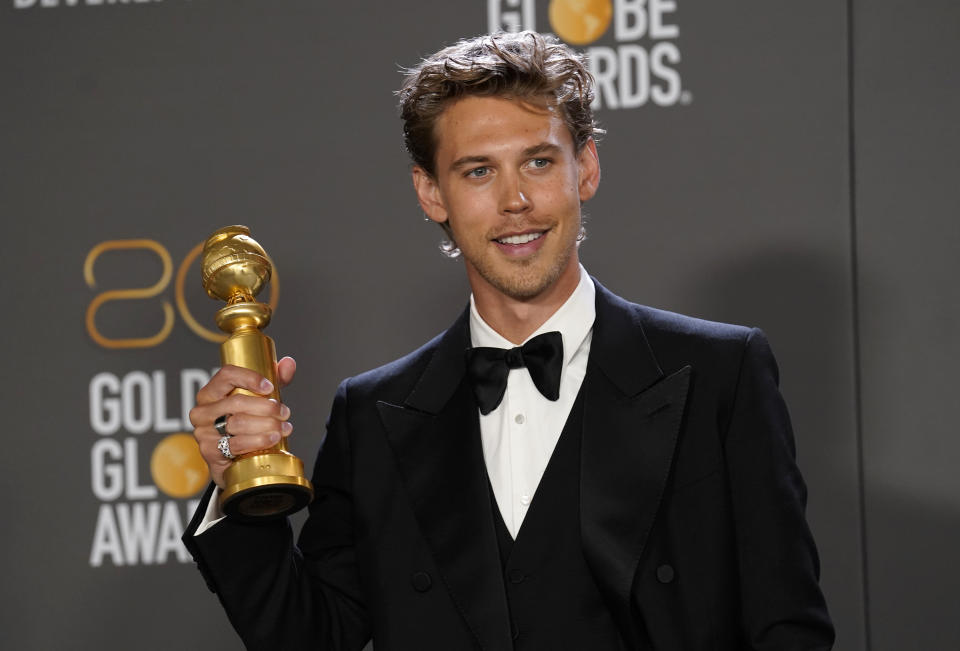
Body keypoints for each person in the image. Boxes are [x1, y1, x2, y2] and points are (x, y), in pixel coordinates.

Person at [184, 31, 835, 651]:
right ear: (430, 192)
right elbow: (311, 637)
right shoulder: (374, 416)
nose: (515, 200)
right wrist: (234, 485)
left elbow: (788, 630)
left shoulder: (720, 374)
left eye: (539, 161)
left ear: (585, 168)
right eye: (476, 172)